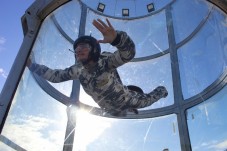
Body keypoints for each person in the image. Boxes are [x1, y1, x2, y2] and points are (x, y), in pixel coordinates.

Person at [27, 18, 168, 116]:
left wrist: (118, 39)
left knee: (147, 100)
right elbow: (55, 76)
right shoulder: (78, 70)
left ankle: (162, 90)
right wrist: (31, 65)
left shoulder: (105, 62)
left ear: (94, 49)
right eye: (76, 49)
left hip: (127, 100)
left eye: (83, 46)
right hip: (108, 109)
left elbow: (128, 54)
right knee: (124, 110)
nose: (79, 50)